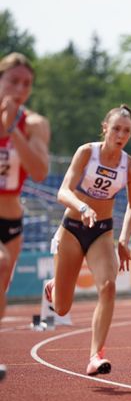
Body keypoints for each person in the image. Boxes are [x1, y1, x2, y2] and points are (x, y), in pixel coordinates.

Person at [45, 104, 131, 375]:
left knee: (109, 286)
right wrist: (83, 207)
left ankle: (95, 355)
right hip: (73, 227)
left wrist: (123, 240)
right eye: (116, 129)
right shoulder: (87, 152)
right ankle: (55, 283)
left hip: (102, 231)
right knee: (62, 308)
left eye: (127, 131)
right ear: (105, 128)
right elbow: (63, 191)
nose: (121, 135)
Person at [0, 53, 50, 326]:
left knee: (1, 289)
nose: (20, 90)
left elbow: (40, 172)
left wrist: (12, 130)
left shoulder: (34, 124)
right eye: (13, 81)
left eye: (27, 84)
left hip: (11, 222)